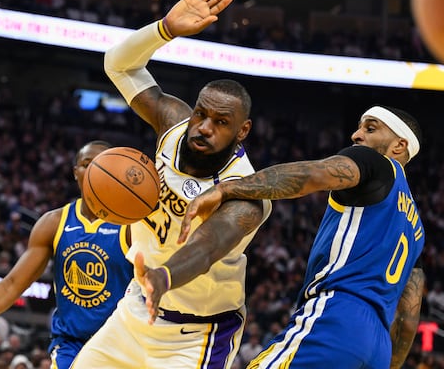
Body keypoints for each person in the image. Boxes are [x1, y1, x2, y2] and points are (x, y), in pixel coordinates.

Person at [71, 0, 272, 369]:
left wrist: (163, 278)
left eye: (221, 122)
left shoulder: (246, 191)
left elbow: (207, 247)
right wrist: (163, 29)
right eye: (201, 113)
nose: (203, 127)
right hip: (135, 309)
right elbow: (118, 63)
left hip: (196, 334)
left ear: (241, 131)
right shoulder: (173, 124)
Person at [179, 105, 426, 368]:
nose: (356, 135)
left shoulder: (376, 164)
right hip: (378, 348)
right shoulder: (417, 229)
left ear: (399, 146)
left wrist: (227, 188)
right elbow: (408, 318)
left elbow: (314, 174)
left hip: (338, 318)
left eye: (370, 128)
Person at [0, 141, 134, 369]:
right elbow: (12, 285)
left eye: (102, 164)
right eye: (86, 164)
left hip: (121, 342)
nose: (94, 170)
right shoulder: (53, 223)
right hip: (72, 345)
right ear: (76, 173)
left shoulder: (133, 224)